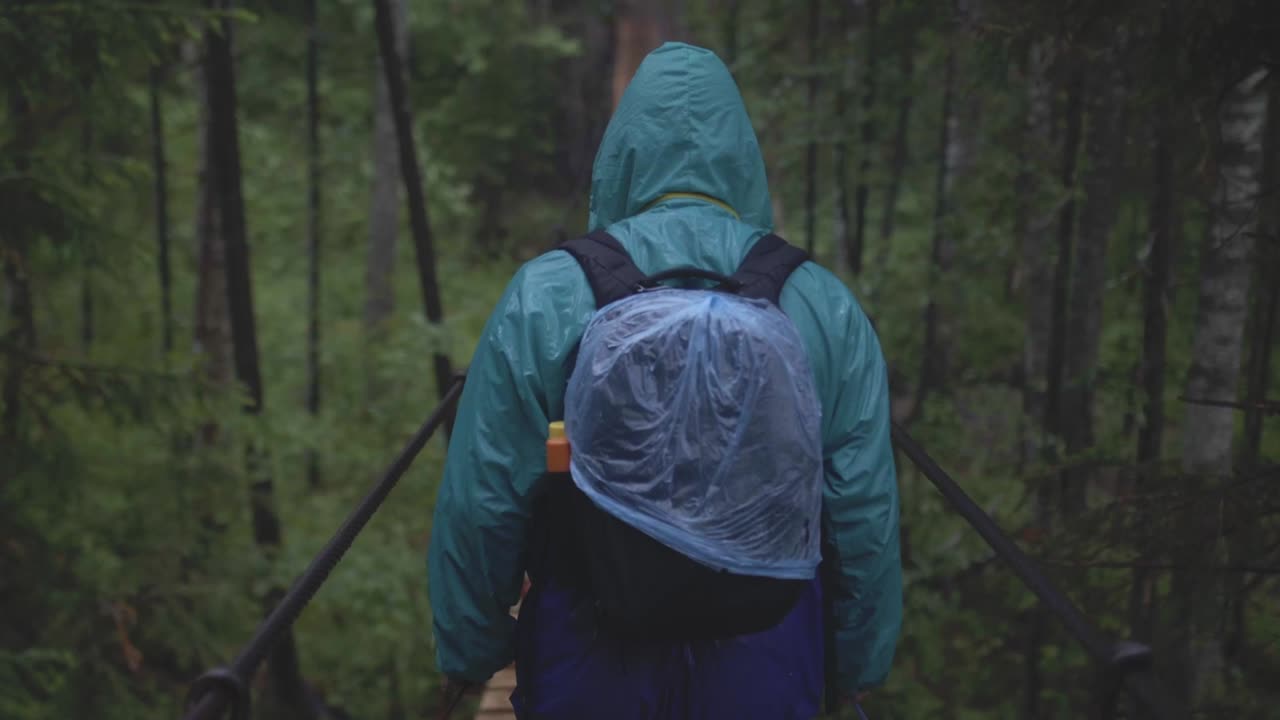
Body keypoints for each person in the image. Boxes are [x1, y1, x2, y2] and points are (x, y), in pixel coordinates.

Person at [427, 42, 901, 719]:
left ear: (619, 157)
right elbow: (862, 510)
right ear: (744, 161)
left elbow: (485, 495)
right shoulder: (820, 305)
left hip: (590, 651)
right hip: (767, 645)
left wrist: (474, 650)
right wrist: (855, 663)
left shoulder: (548, 294)